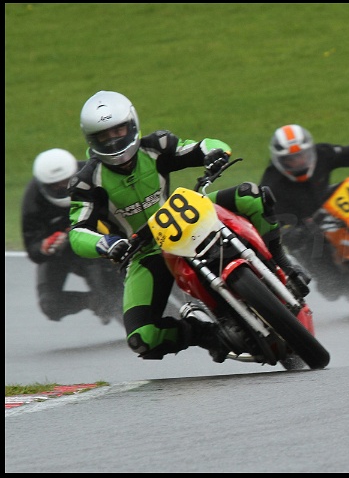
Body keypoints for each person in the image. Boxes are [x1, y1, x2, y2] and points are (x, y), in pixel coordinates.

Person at [68, 90, 308, 363]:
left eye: (119, 130)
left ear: (132, 124)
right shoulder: (86, 182)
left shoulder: (156, 145)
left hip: (188, 214)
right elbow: (77, 232)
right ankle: (206, 334)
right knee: (142, 338)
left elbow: (202, 146)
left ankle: (284, 265)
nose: (113, 140)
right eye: (103, 136)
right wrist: (106, 243)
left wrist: (215, 154)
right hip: (145, 251)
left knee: (250, 194)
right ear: (91, 139)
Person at [259, 124, 349, 300]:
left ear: (309, 150)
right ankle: (332, 279)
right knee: (314, 254)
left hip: (331, 207)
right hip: (303, 226)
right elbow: (269, 221)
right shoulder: (271, 185)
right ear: (280, 160)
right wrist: (289, 231)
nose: (298, 162)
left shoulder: (322, 153)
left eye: (302, 156)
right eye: (291, 159)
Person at [21, 148, 124, 325]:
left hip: (100, 239)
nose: (63, 187)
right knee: (50, 304)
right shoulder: (32, 201)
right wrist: (44, 246)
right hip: (62, 252)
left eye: (67, 181)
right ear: (44, 185)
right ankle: (94, 301)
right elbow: (33, 248)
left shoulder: (94, 173)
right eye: (56, 185)